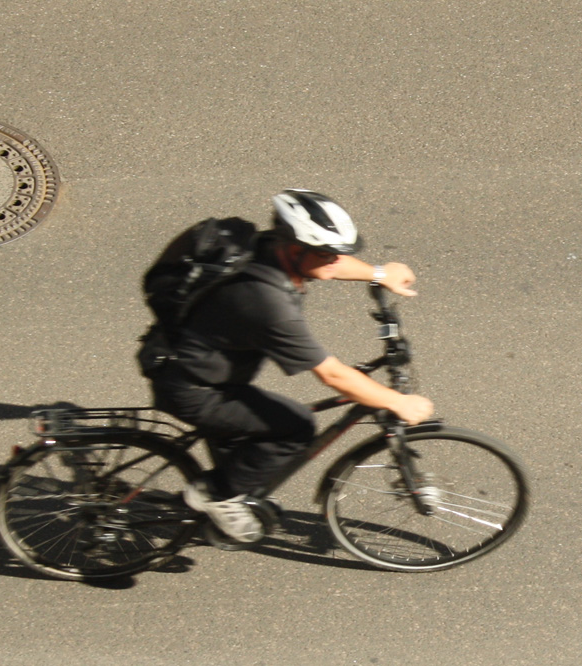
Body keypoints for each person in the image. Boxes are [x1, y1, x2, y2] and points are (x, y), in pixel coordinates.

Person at [145, 189, 434, 542]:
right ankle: (214, 495)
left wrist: (378, 273)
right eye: (327, 255)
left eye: (335, 254)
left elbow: (333, 263)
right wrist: (397, 401)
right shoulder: (267, 304)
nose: (334, 261)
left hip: (189, 361)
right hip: (194, 389)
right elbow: (331, 374)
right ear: (296, 249)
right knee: (294, 426)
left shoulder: (269, 248)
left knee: (258, 427)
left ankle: (237, 480)